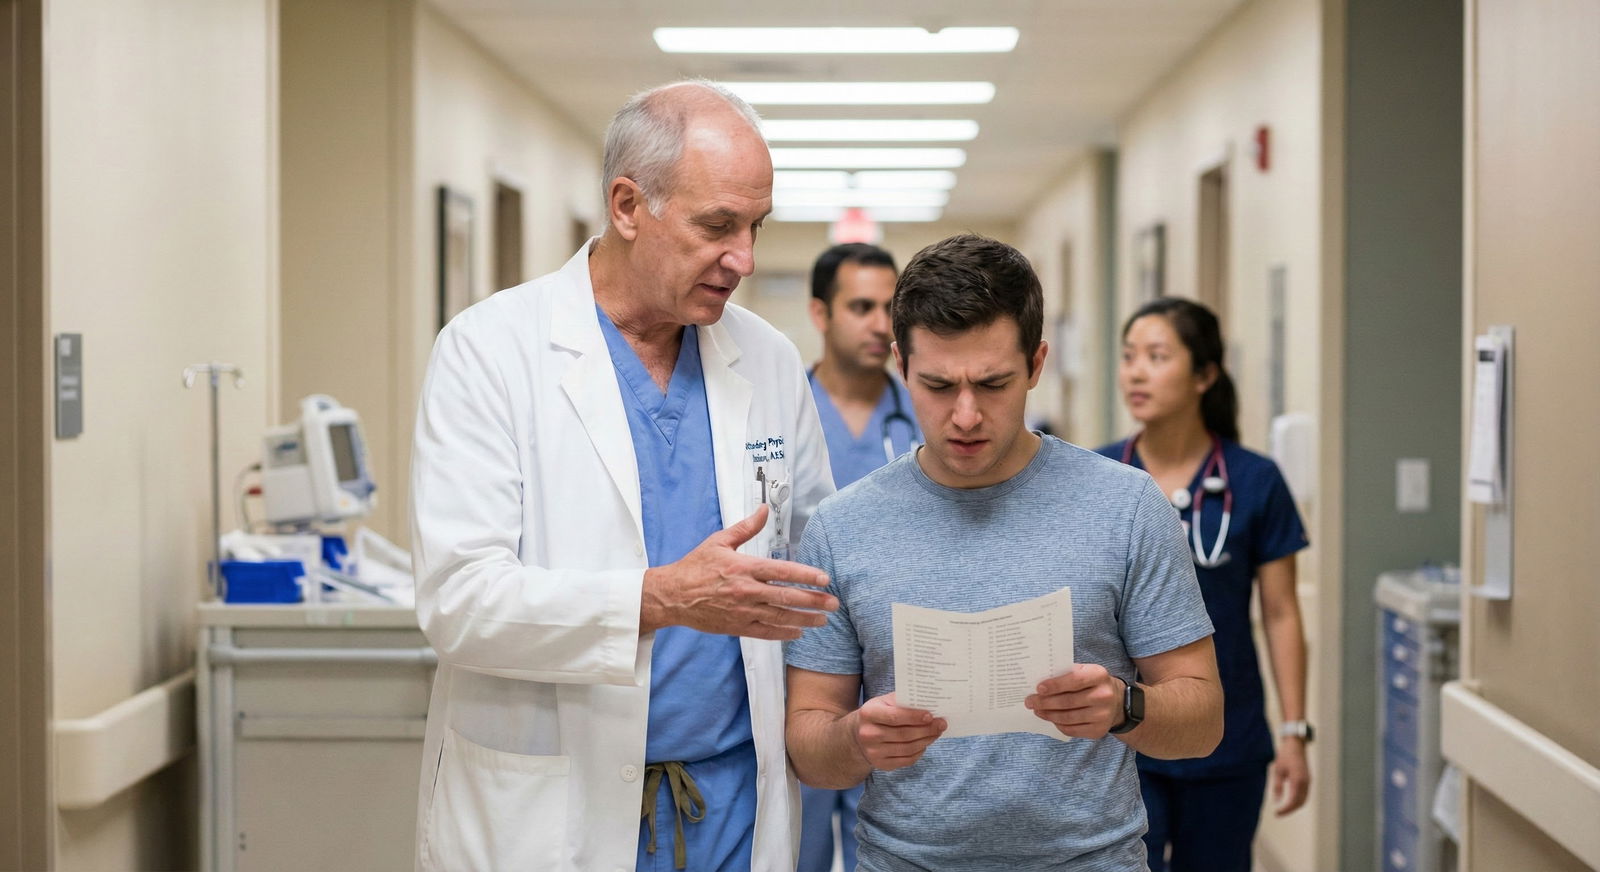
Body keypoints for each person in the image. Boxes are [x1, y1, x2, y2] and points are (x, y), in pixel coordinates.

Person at [409, 80, 839, 872]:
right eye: (718, 225)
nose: (743, 258)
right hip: (551, 811)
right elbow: (458, 599)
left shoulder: (769, 361)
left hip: (734, 809)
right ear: (628, 205)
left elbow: (820, 560)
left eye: (754, 227)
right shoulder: (491, 351)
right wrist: (662, 598)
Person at [784, 234, 1224, 871]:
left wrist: (1126, 707)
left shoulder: (1125, 506)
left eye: (993, 384)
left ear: (1037, 364)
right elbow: (808, 745)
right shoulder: (843, 526)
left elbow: (1203, 719)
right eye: (937, 385)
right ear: (901, 364)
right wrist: (855, 738)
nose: (965, 416)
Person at [1096, 298, 1312, 872]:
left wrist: (1295, 731)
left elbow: (1283, 613)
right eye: (1128, 357)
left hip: (1227, 736)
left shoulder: (1255, 480)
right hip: (1118, 734)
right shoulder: (1098, 479)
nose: (1136, 372)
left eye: (1157, 356)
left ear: (1205, 375)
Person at [797, 243, 920, 872]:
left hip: (898, 659)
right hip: (803, 659)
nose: (880, 324)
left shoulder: (923, 416)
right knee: (802, 840)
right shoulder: (783, 414)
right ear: (820, 312)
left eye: (890, 307)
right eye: (862, 306)